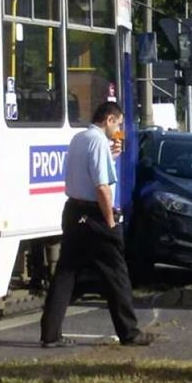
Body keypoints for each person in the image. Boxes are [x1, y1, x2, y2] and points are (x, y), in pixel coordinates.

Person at [40, 102, 154, 348]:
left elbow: (85, 170)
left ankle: (50, 334)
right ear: (110, 119)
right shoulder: (100, 142)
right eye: (119, 124)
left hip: (73, 211)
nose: (119, 129)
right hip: (95, 215)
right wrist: (111, 221)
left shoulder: (79, 138)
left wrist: (110, 157)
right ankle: (130, 333)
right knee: (117, 275)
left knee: (65, 273)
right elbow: (102, 187)